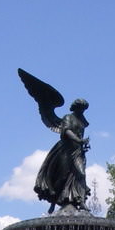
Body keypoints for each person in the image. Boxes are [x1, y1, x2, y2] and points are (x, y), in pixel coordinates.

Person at [18, 69, 91, 213]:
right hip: (65, 151)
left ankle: (80, 201)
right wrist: (79, 140)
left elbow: (80, 135)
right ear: (76, 107)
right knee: (62, 175)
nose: (83, 111)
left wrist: (84, 144)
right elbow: (66, 131)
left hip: (78, 152)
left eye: (84, 109)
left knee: (80, 175)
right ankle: (53, 201)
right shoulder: (68, 118)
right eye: (81, 108)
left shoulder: (82, 122)